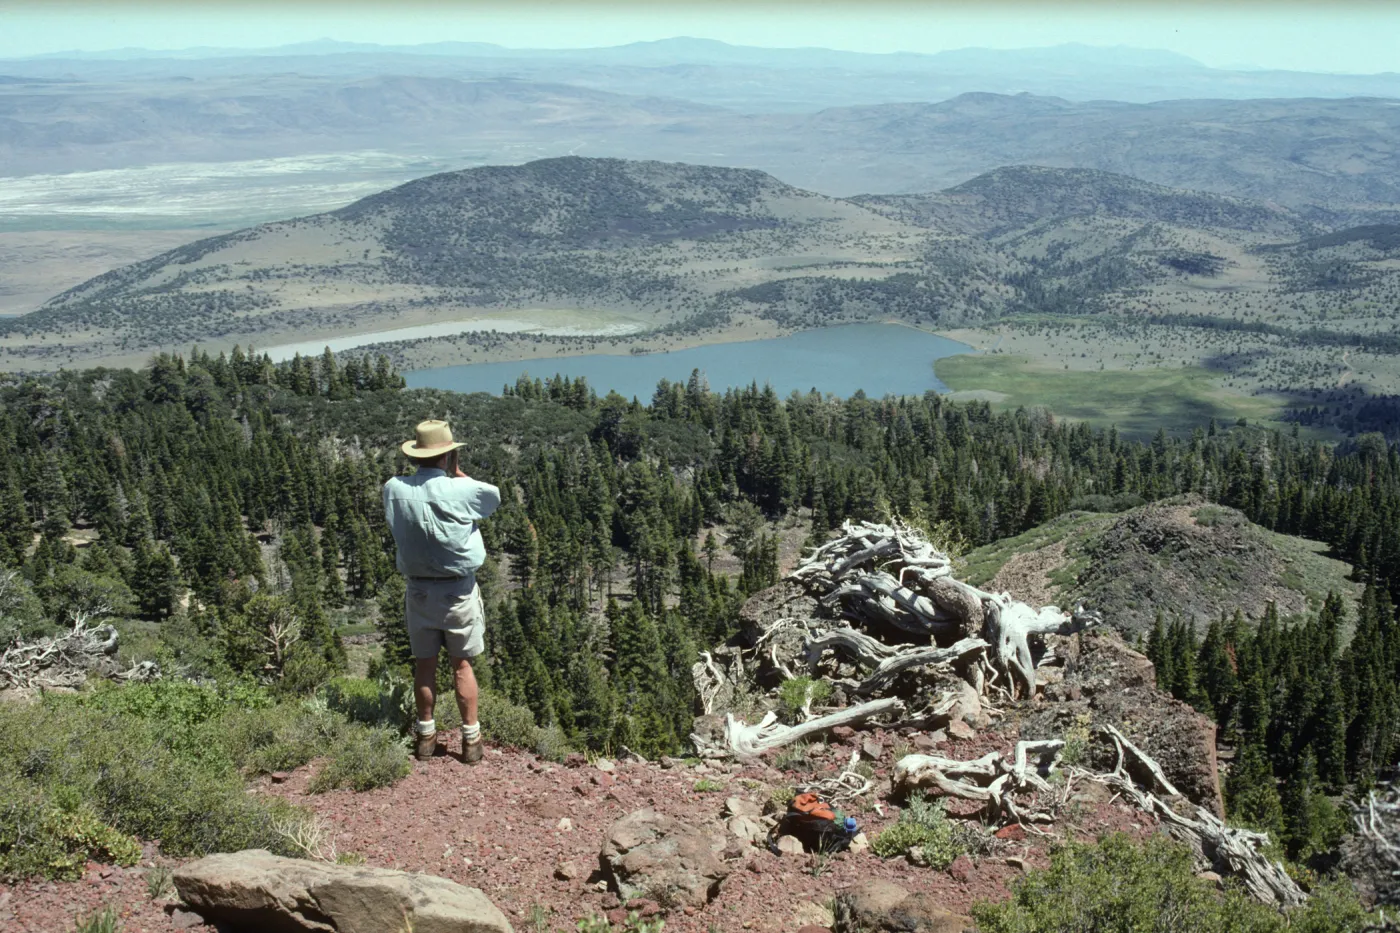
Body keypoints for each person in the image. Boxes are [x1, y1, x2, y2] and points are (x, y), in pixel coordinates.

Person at [383, 420, 501, 763]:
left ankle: (425, 738)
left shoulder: (394, 488)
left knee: (425, 665)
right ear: (448, 455)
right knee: (461, 665)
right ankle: (471, 742)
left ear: (415, 455)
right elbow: (492, 496)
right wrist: (458, 473)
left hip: (419, 591)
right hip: (457, 592)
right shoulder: (461, 490)